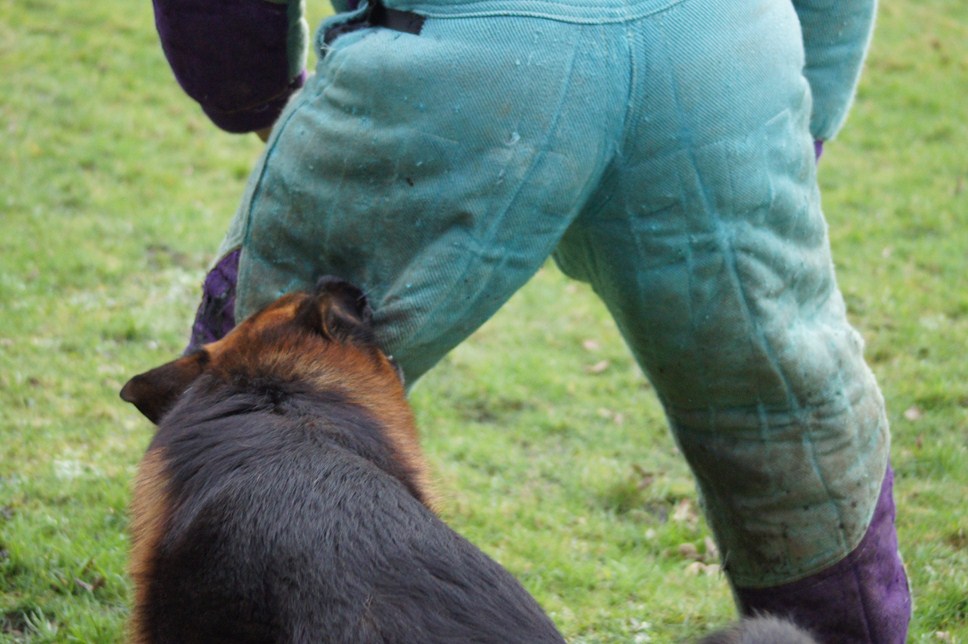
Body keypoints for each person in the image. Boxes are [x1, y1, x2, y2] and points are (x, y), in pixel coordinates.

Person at [149, 0, 911, 640]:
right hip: (723, 54)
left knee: (254, 382)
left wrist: (248, 90)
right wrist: (808, 108)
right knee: (788, 415)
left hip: (456, 59)